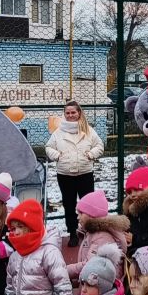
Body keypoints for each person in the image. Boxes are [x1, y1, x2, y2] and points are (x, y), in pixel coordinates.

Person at [45, 100, 104, 246]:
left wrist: (90, 154)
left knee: (88, 205)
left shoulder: (88, 130)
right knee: (69, 205)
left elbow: (99, 145)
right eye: (68, 113)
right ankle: (72, 233)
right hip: (65, 175)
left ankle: (90, 232)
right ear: (64, 114)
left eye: (73, 112)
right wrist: (57, 156)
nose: (71, 115)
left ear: (79, 113)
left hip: (85, 173)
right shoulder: (58, 132)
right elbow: (48, 147)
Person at [66, 189, 130, 282]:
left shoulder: (102, 237)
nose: (78, 217)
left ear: (92, 214)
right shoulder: (92, 233)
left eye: (81, 213)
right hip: (94, 285)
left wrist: (66, 270)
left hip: (100, 288)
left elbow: (90, 265)